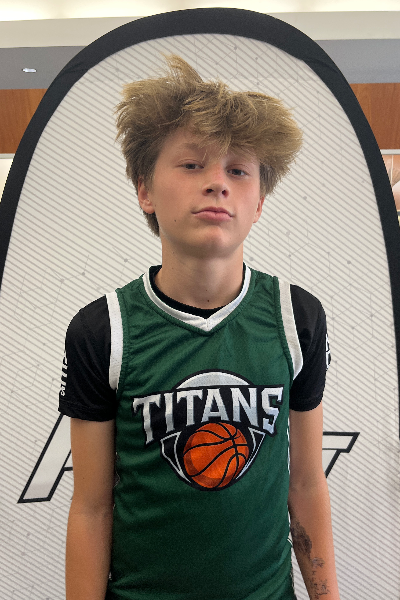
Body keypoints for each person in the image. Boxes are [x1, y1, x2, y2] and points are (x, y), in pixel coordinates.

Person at [59, 55, 340, 600]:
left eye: (238, 170)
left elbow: (306, 484)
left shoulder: (296, 317)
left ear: (259, 203)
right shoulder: (103, 330)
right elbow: (91, 507)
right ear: (145, 189)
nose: (217, 183)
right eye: (192, 164)